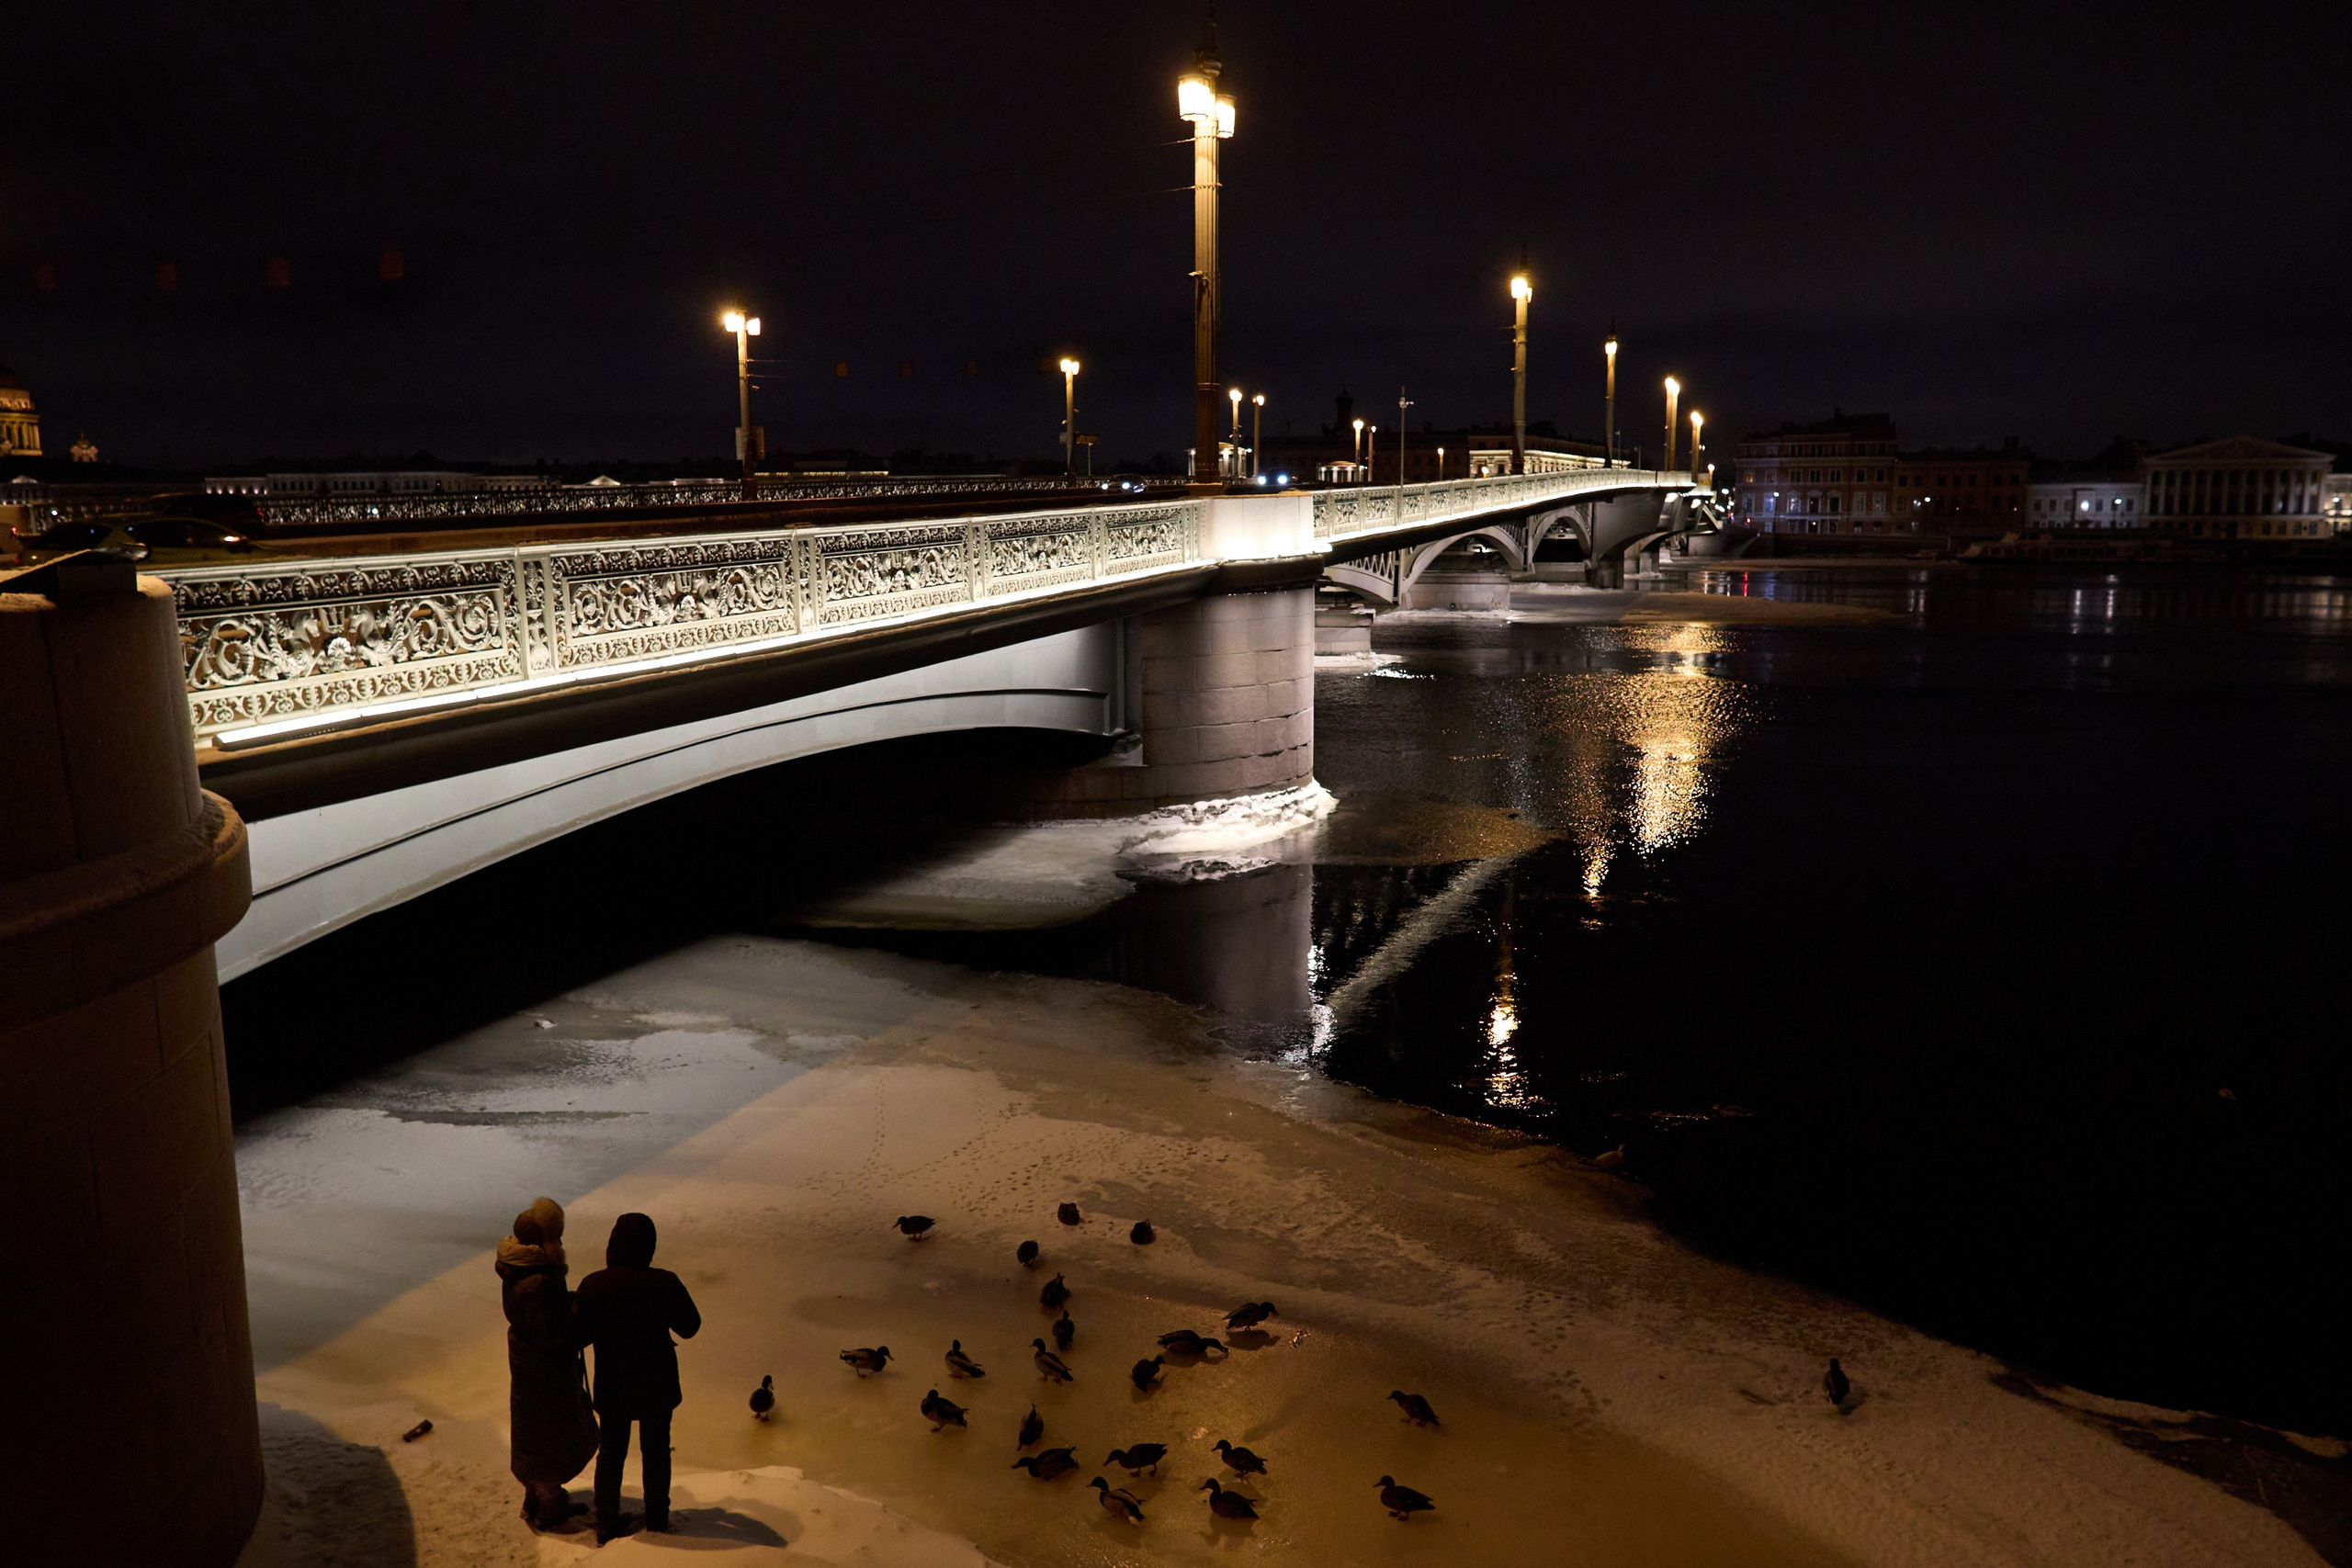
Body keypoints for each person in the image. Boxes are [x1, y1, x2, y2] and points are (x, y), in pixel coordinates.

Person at [573, 1213, 701, 1543]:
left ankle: (605, 1521)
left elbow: (579, 1337)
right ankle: (657, 1519)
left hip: (613, 1385)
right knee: (656, 1450)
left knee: (612, 1451)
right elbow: (690, 1327)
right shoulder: (663, 1282)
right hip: (656, 1384)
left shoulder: (594, 1285)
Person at [506, 1271, 599, 1529]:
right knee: (549, 1439)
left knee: (533, 1437)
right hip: (547, 1376)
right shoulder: (538, 1283)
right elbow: (550, 1333)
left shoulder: (517, 1275)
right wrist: (574, 1315)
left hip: (531, 1375)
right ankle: (550, 1507)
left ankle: (533, 1498)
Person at [495, 1197, 571, 1324]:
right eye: (555, 1238)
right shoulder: (537, 1282)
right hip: (542, 1341)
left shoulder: (525, 1266)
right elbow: (546, 1334)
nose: (560, 1243)